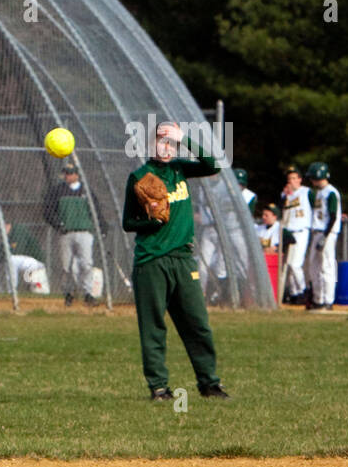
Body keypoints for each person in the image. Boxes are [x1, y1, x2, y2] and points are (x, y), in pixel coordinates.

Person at [123, 121, 229, 401]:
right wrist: (149, 219)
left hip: (183, 259)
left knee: (197, 323)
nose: (167, 147)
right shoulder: (139, 176)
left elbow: (213, 165)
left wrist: (186, 138)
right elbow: (127, 222)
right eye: (161, 141)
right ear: (150, 145)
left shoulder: (180, 169)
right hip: (151, 261)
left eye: (171, 143)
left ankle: (210, 383)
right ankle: (159, 387)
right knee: (153, 326)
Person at [43, 163, 98, 305]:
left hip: (84, 232)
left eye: (70, 173)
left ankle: (87, 293)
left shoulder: (86, 191)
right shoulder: (58, 191)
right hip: (66, 233)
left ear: (77, 175)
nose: (68, 176)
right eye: (66, 173)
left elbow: (95, 210)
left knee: (86, 263)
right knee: (67, 266)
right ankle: (68, 293)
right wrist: (59, 225)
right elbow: (47, 211)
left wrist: (102, 227)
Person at [304, 161, 342, 311]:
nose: (312, 181)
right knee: (314, 266)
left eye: (313, 177)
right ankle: (318, 298)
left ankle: (328, 300)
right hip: (317, 231)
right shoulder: (319, 192)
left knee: (327, 266)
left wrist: (326, 236)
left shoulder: (331, 192)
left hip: (327, 232)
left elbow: (333, 216)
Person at [280, 166, 312, 304]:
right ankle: (294, 293)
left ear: (300, 179)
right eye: (289, 179)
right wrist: (285, 195)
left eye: (294, 178)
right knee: (287, 264)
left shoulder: (306, 192)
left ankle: (304, 290)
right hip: (288, 231)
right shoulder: (286, 194)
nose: (291, 181)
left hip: (301, 230)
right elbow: (280, 210)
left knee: (295, 264)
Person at [5, 221, 48, 293]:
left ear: (7, 225)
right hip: (27, 262)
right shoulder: (9, 234)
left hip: (36, 262)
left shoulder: (18, 231)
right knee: (34, 288)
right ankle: (15, 288)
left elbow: (17, 251)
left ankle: (12, 290)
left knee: (12, 260)